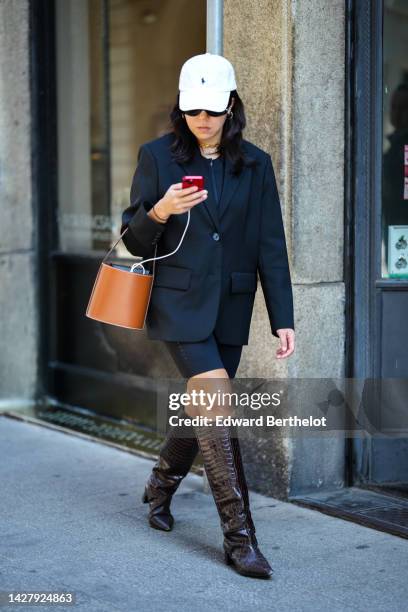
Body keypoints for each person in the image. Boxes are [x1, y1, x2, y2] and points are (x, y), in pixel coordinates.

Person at [121, 52, 295, 579]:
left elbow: (271, 243)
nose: (202, 119)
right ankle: (240, 540)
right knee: (217, 405)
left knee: (204, 408)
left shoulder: (256, 163)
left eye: (213, 110)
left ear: (231, 107)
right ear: (181, 107)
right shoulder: (158, 158)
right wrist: (160, 212)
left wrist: (282, 316)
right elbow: (132, 240)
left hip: (232, 307)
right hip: (179, 306)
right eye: (193, 109)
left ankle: (159, 486)